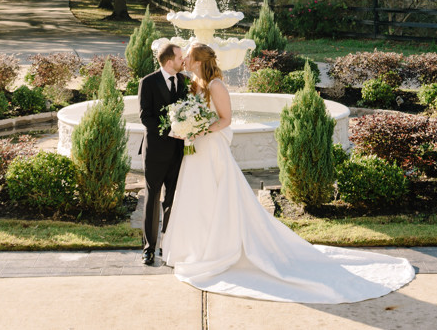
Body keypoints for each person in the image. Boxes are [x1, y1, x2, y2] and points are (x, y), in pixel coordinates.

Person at [161, 44, 414, 303]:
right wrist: (186, 126)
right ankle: (198, 250)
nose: (185, 59)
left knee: (219, 199)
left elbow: (226, 119)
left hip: (211, 149)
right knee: (197, 199)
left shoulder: (216, 86)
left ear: (200, 60)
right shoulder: (193, 84)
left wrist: (201, 130)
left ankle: (221, 250)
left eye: (189, 56)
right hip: (196, 150)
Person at [137, 42, 188, 266]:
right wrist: (172, 131)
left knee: (171, 200)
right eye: (180, 57)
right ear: (169, 61)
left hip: (178, 152)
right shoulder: (147, 82)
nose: (183, 61)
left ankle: (166, 245)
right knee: (152, 199)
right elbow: (145, 117)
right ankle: (148, 248)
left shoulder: (183, 81)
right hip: (155, 151)